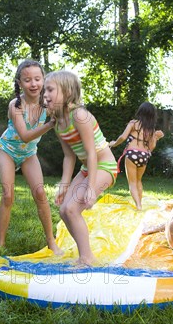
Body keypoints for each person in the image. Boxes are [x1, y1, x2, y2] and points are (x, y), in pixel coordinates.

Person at [0, 60, 61, 254]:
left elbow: (68, 116)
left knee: (40, 194)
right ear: (19, 83)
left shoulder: (48, 104)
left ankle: (51, 242)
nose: (33, 84)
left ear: (44, 80)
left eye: (37, 79)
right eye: (27, 80)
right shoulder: (15, 105)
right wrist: (50, 124)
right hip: (7, 150)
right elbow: (25, 135)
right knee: (8, 195)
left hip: (28, 153)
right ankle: (1, 242)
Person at [43, 70, 117, 266]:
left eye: (50, 89)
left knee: (72, 208)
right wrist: (64, 184)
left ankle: (86, 258)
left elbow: (92, 153)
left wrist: (91, 187)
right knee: (64, 210)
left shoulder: (80, 115)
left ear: (67, 92)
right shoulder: (59, 123)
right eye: (44, 91)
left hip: (104, 166)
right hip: (87, 168)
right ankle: (84, 254)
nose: (45, 95)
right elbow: (69, 156)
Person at [109, 102, 164, 210]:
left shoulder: (133, 123)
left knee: (132, 183)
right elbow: (151, 148)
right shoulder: (151, 129)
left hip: (132, 154)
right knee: (138, 181)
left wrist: (114, 143)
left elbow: (123, 137)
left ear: (140, 112)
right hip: (144, 156)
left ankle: (138, 206)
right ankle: (140, 205)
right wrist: (156, 138)